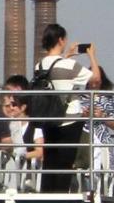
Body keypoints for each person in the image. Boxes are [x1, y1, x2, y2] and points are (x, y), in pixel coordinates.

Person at [33, 25, 97, 192]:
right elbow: (95, 79)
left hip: (49, 118)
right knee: (65, 161)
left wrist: (66, 56)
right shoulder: (69, 65)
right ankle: (61, 197)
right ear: (61, 39)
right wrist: (92, 57)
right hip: (69, 118)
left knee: (51, 159)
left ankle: (47, 196)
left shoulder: (39, 65)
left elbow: (56, 74)